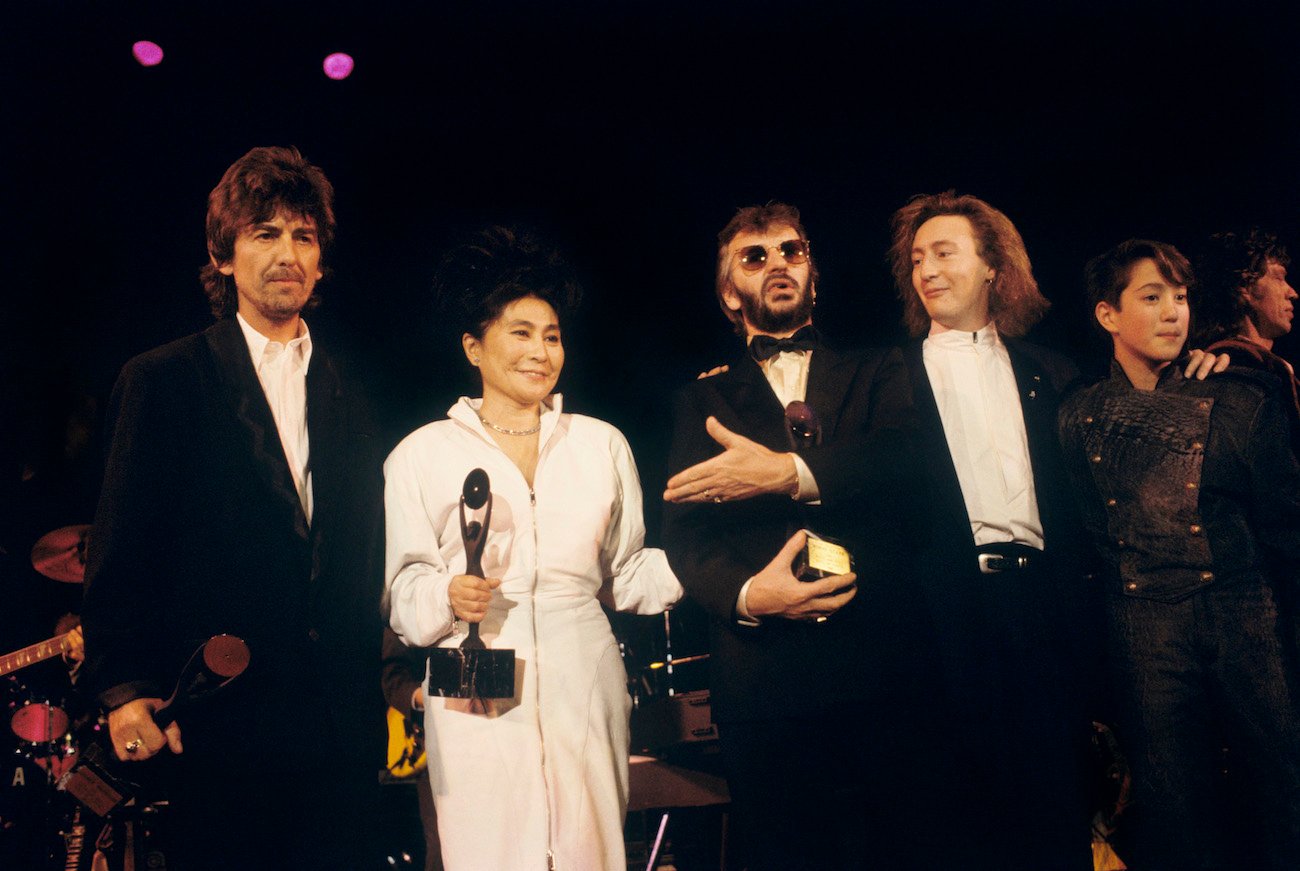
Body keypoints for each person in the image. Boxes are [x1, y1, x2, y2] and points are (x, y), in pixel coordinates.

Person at [80, 146, 385, 871]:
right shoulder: (163, 380)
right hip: (223, 724)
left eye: (303, 236)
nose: (288, 252)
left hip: (340, 725)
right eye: (265, 232)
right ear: (222, 256)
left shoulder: (357, 391)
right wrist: (127, 689)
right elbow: (121, 549)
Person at [384, 226, 682, 870]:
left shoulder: (601, 443)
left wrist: (718, 563)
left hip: (586, 671)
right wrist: (445, 594)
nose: (541, 351)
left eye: (552, 336)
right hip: (470, 676)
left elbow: (628, 574)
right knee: (485, 850)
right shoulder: (421, 453)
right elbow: (403, 596)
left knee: (592, 849)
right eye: (520, 332)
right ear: (474, 346)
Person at [662, 203, 929, 870]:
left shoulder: (880, 370)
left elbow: (902, 463)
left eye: (791, 251)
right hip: (765, 681)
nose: (777, 264)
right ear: (730, 292)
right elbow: (685, 535)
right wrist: (753, 594)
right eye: (755, 256)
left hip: (881, 666)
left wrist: (791, 473)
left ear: (814, 272)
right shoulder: (700, 400)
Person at [1059, 238, 1300, 870]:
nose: (1174, 312)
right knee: (1179, 812)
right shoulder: (1078, 415)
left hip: (1245, 615)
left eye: (1182, 297)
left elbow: (1287, 530)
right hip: (1145, 629)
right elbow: (1084, 537)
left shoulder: (1241, 397)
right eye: (1153, 296)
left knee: (1283, 790)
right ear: (1107, 315)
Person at [1195, 228, 1300, 448]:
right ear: (1246, 287)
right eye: (1279, 278)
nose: (1292, 292)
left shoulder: (1258, 364)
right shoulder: (1233, 366)